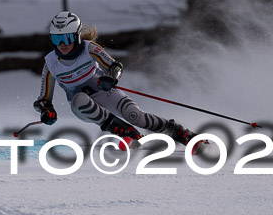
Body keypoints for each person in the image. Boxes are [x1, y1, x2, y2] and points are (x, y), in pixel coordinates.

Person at [33, 11, 204, 152]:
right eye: (57, 39)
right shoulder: (51, 64)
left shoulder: (89, 48)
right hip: (82, 107)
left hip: (104, 92)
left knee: (137, 116)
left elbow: (115, 66)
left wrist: (111, 78)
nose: (62, 45)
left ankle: (184, 135)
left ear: (77, 37)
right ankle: (127, 133)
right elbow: (43, 100)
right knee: (80, 98)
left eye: (67, 38)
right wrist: (46, 112)